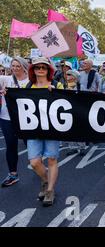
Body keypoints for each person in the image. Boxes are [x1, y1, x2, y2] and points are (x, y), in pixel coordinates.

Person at [26, 57, 63, 207]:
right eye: (37, 67)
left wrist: (56, 93)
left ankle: (50, 190)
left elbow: (67, 102)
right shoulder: (28, 86)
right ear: (33, 70)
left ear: (49, 70)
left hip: (52, 128)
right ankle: (46, 179)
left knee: (52, 159)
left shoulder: (56, 84)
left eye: (44, 67)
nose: (41, 69)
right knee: (34, 162)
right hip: (34, 128)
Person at [0, 57, 30, 187]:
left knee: (31, 145)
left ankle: (38, 166)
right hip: (7, 118)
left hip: (27, 119)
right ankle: (13, 174)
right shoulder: (4, 79)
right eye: (13, 66)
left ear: (24, 67)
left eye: (18, 66)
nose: (15, 68)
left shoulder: (31, 81)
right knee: (11, 146)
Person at [64, 70, 88, 156]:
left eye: (70, 75)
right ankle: (72, 147)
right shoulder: (64, 86)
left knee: (80, 129)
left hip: (79, 111)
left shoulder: (80, 86)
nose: (68, 76)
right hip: (68, 111)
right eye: (67, 75)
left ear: (75, 77)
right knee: (70, 130)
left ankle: (82, 147)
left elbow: (85, 97)